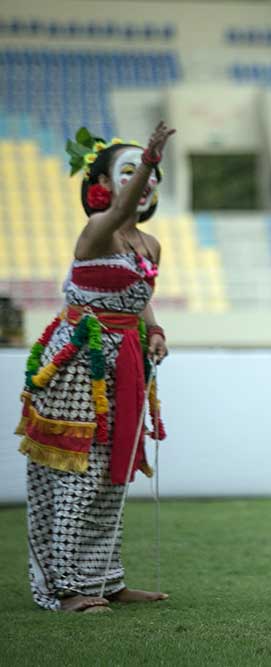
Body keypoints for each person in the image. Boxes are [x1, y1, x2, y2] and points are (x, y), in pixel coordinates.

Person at [16, 123, 174, 612]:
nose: (144, 183)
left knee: (112, 473)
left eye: (148, 174)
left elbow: (139, 299)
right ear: (102, 182)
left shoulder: (149, 245)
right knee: (76, 473)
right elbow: (123, 208)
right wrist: (148, 158)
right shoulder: (97, 230)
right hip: (79, 365)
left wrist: (155, 331)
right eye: (128, 172)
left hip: (125, 362)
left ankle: (105, 580)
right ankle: (65, 587)